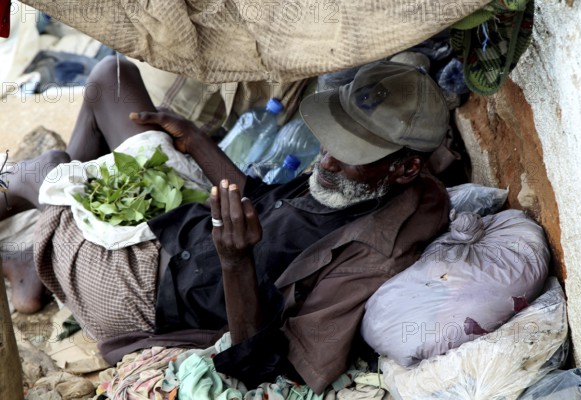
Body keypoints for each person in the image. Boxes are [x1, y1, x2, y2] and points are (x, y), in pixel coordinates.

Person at [1, 57, 449, 393]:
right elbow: (256, 196)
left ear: (406, 169)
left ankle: (47, 243)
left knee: (46, 169)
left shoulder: (370, 251)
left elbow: (259, 363)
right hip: (179, 226)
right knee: (110, 79)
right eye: (332, 141)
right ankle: (48, 245)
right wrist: (195, 140)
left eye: (349, 154)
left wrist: (236, 261)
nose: (327, 159)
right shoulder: (358, 183)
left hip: (141, 292)